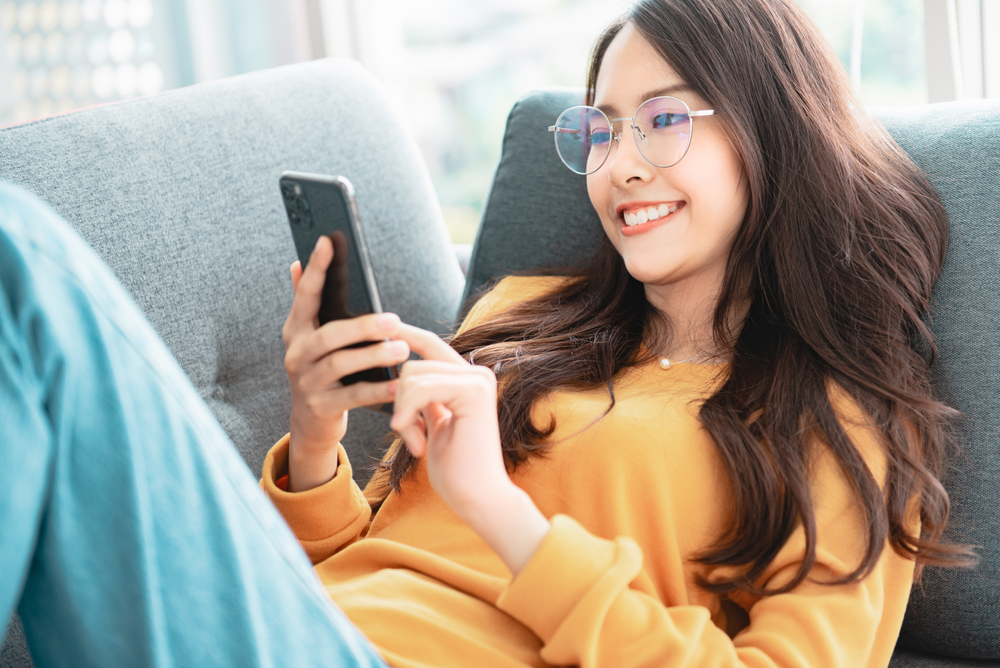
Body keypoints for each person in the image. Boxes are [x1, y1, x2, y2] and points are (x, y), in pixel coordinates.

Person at [0, 1, 972, 667]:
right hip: (303, 628)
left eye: (661, 121)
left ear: (773, 127)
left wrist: (500, 508)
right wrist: (314, 435)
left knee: (22, 263)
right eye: (599, 130)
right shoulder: (526, 315)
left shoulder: (842, 416)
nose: (619, 165)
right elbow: (361, 556)